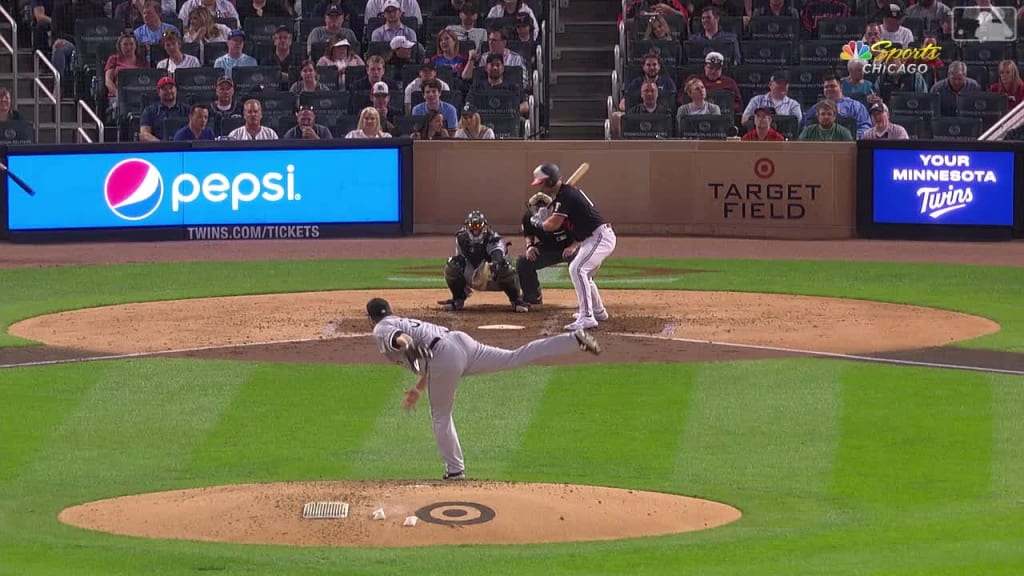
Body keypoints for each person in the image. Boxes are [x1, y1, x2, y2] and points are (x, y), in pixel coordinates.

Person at [366, 297, 600, 481]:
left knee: (440, 416)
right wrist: (418, 388)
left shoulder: (381, 328)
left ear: (370, 319)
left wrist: (409, 345)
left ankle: (455, 470)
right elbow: (431, 361)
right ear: (391, 308)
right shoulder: (401, 319)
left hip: (444, 355)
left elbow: (401, 339)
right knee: (513, 357)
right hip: (461, 343)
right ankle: (572, 340)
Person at [528, 164, 616, 331]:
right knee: (585, 273)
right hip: (590, 238)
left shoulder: (567, 195)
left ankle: (587, 317)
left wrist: (538, 222)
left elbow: (554, 224)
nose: (540, 186)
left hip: (600, 237)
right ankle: (598, 311)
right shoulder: (563, 195)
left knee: (577, 269)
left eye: (542, 182)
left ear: (551, 181)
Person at [438, 211, 530, 313]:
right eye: (472, 226)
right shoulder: (461, 238)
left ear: (484, 227)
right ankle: (458, 298)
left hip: (494, 278)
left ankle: (516, 300)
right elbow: (461, 259)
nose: (475, 229)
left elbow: (498, 257)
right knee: (453, 263)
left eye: (478, 226)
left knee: (503, 265)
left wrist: (490, 267)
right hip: (472, 276)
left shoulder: (494, 238)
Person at [517, 189, 576, 306]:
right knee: (523, 261)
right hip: (548, 248)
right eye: (537, 206)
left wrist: (573, 247)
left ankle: (588, 299)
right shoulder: (528, 217)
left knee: (581, 264)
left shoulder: (564, 215)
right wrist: (530, 246)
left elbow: (583, 234)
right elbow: (528, 234)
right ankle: (533, 296)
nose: (541, 209)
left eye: (544, 205)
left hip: (570, 247)